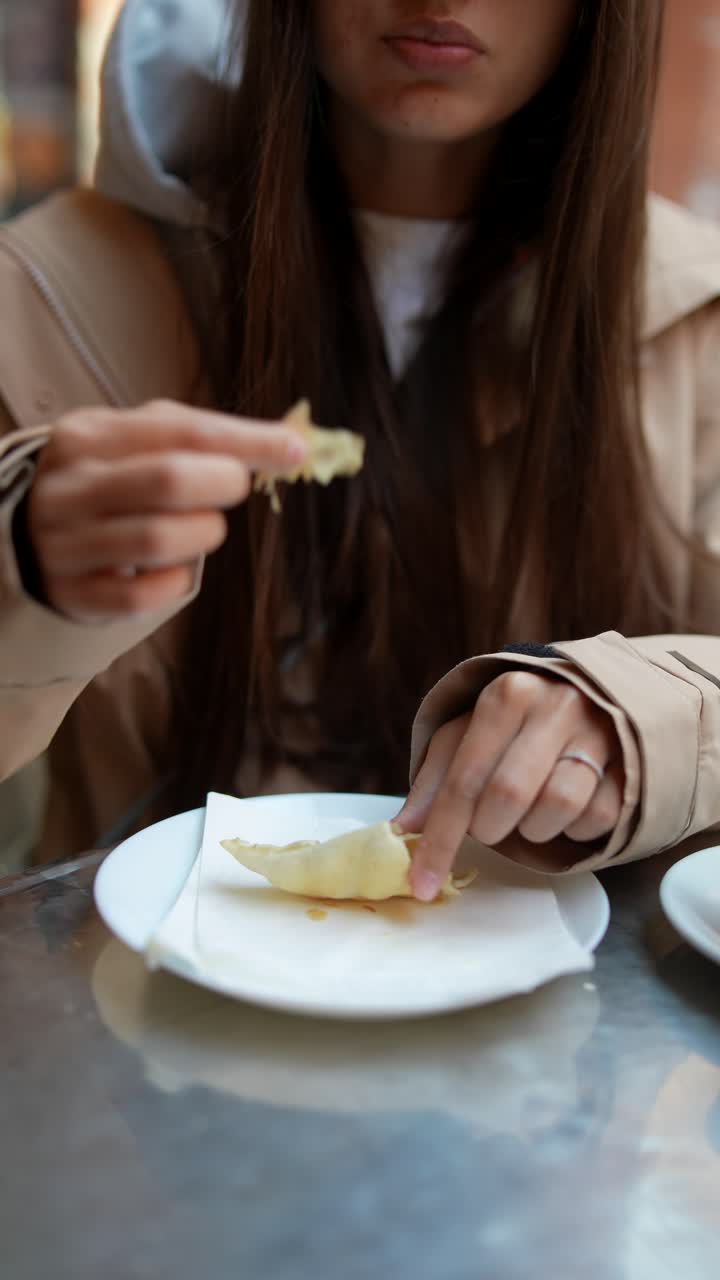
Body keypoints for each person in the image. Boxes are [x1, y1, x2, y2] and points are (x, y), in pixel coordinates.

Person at [0, 0, 719, 897]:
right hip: (129, 1004)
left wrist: (644, 715)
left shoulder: (701, 317)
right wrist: (19, 565)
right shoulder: (36, 299)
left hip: (569, 1012)